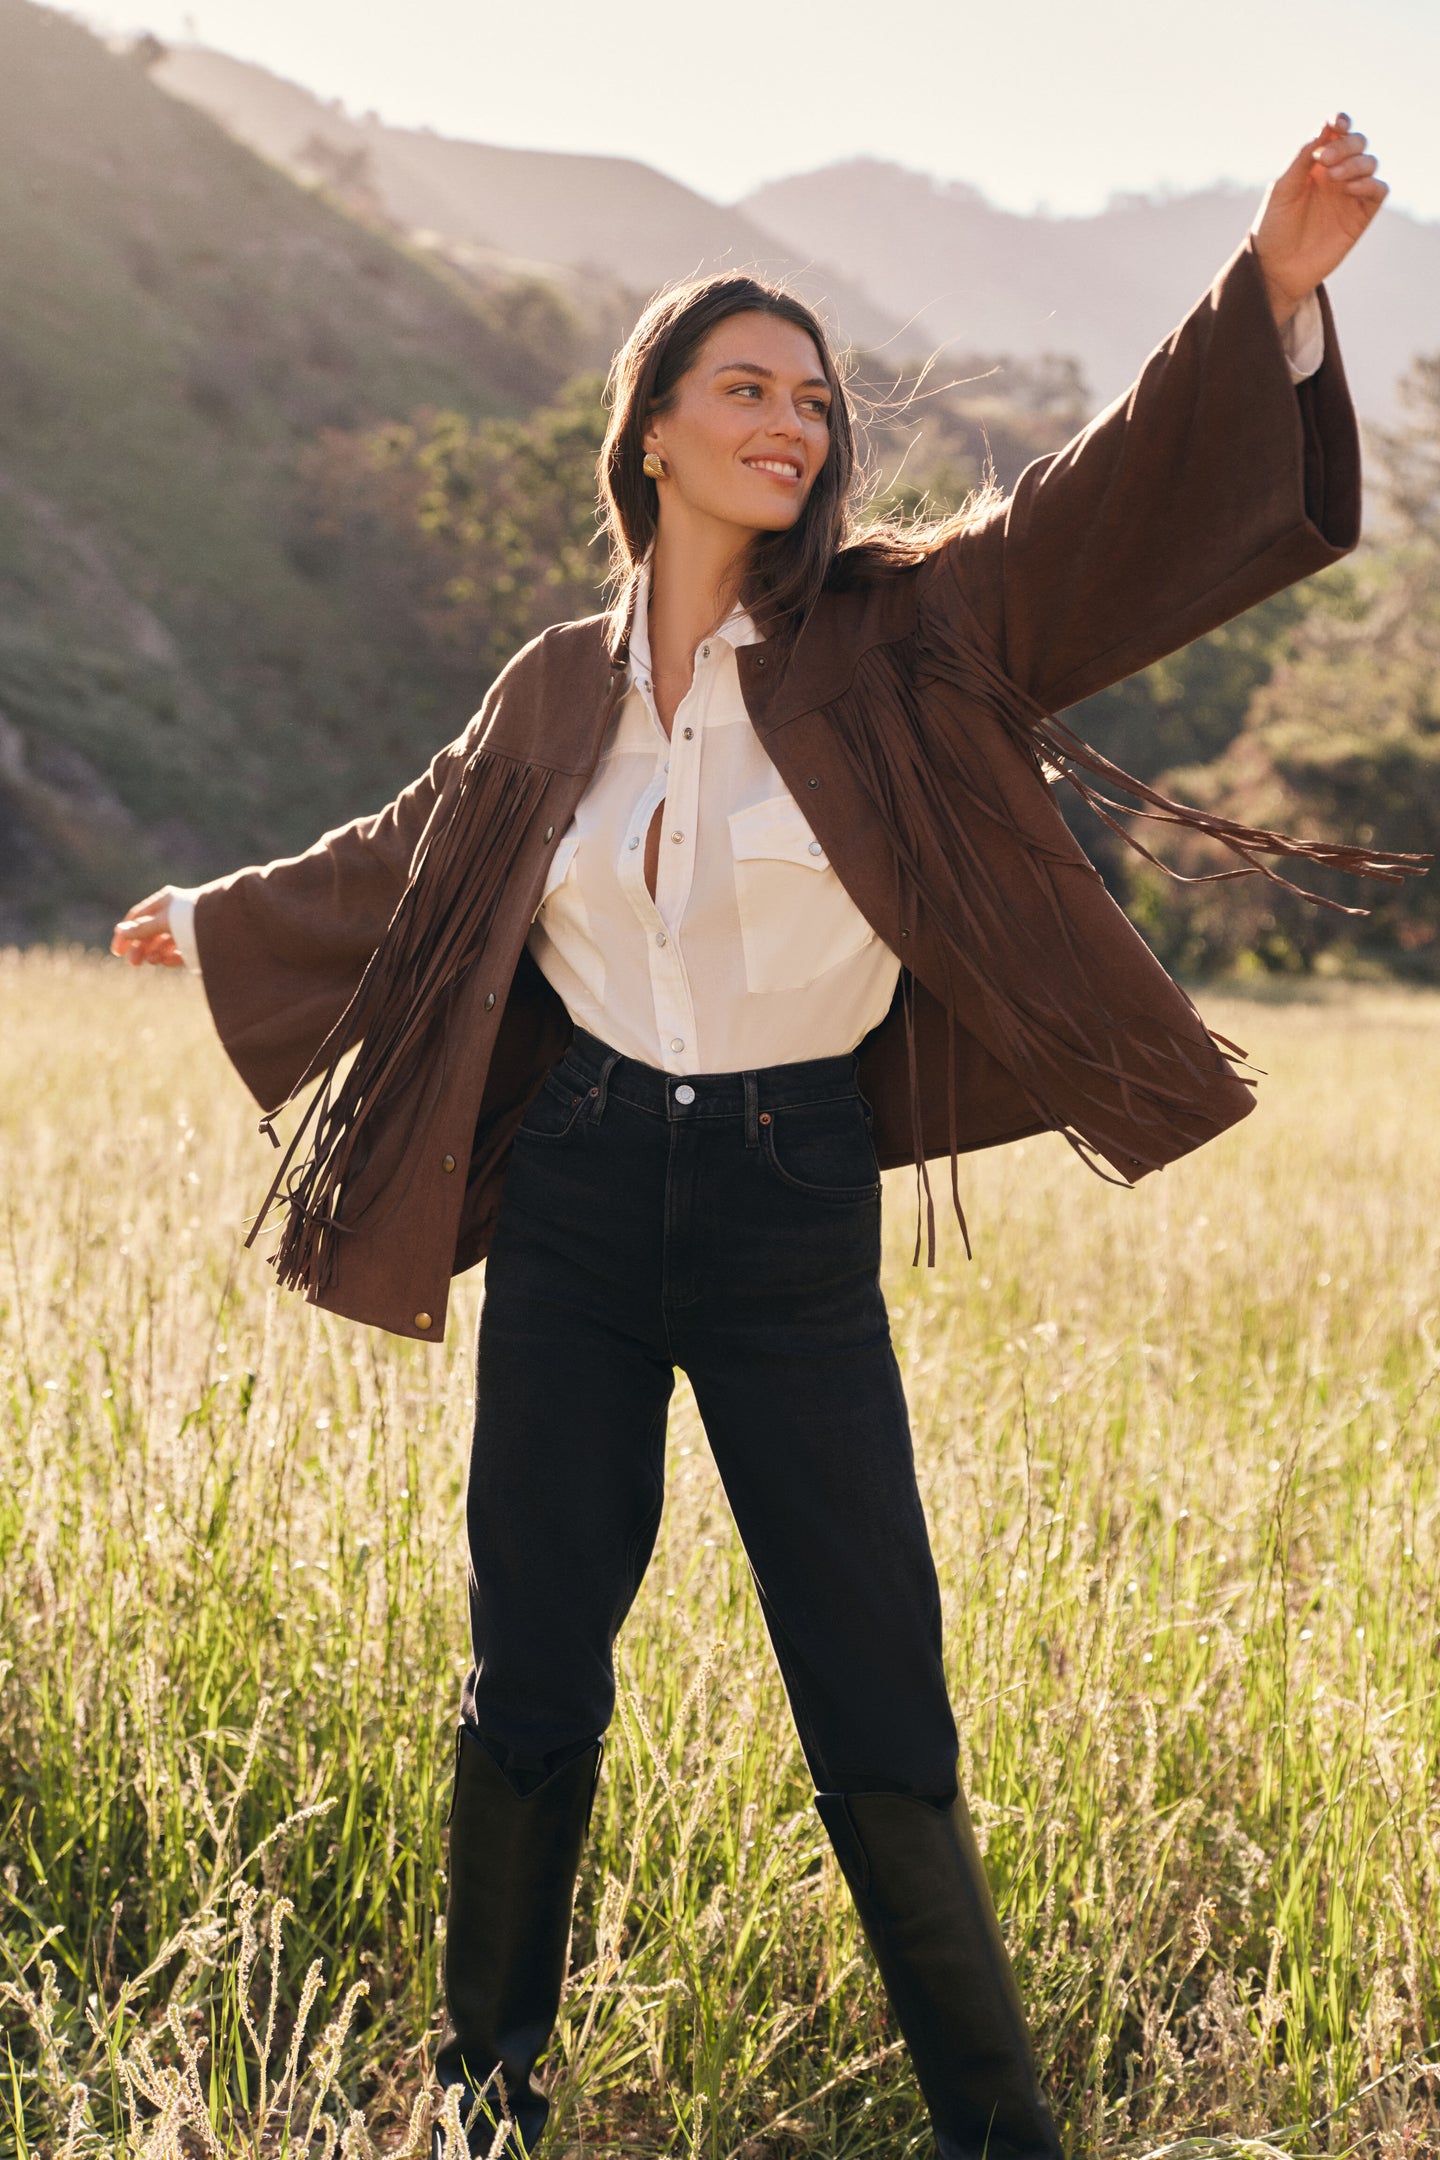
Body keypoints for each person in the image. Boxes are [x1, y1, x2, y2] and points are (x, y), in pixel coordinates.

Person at [114, 119, 1408, 2160]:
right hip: (576, 1202)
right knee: (534, 1661)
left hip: (788, 1204)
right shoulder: (555, 688)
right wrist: (212, 918)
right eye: (748, 388)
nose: (793, 424)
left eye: (815, 401)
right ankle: (485, 2094)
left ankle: (997, 2130)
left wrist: (1272, 290)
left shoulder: (905, 632)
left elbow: (1093, 506)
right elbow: (413, 853)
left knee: (873, 1678)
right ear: (652, 433)